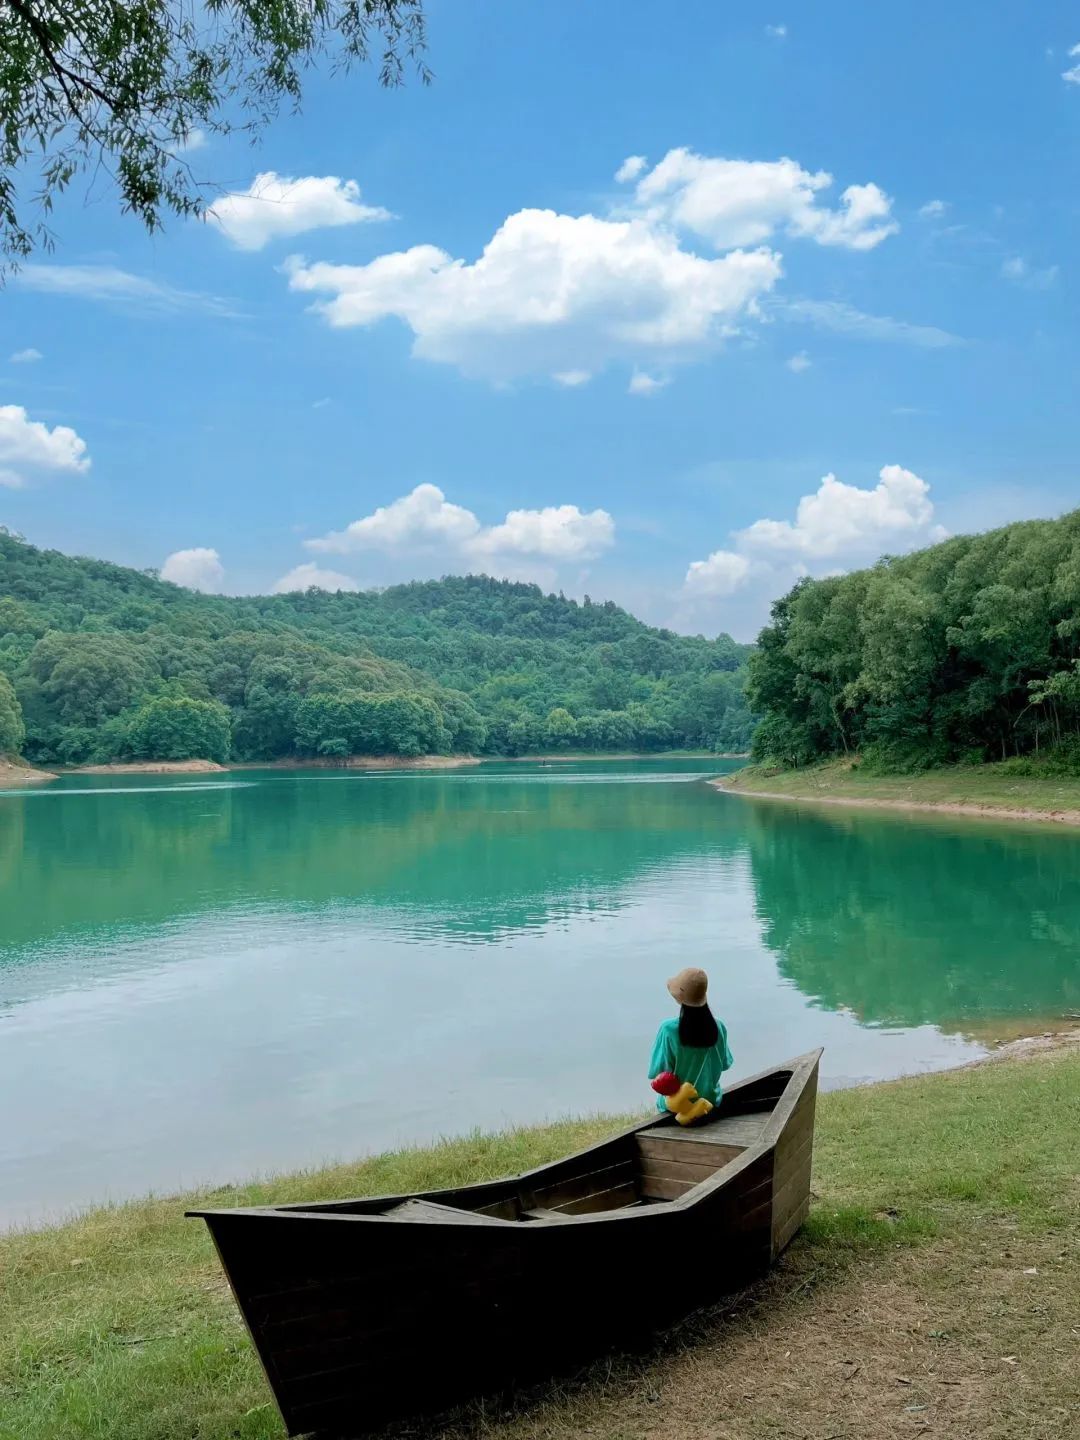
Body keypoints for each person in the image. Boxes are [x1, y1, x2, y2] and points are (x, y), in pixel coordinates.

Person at [647, 967, 733, 1114]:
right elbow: (725, 1064)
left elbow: (658, 1073)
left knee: (664, 1099)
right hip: (710, 1101)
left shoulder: (668, 1030)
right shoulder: (719, 1026)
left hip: (678, 1106)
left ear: (679, 997)